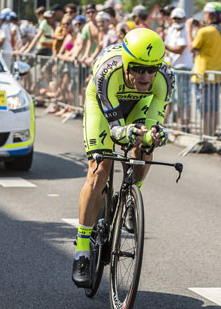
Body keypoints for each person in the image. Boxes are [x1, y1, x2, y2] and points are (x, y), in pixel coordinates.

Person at [72, 28, 174, 288]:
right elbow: (115, 129)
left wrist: (151, 135)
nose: (147, 76)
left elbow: (154, 120)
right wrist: (126, 132)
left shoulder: (166, 77)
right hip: (104, 104)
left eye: (152, 69)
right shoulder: (108, 70)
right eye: (139, 69)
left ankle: (131, 196)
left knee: (146, 144)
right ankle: (82, 251)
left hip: (138, 105)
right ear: (128, 64)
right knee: (99, 169)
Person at [186, 2, 221, 135]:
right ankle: (211, 134)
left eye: (204, 13)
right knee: (214, 108)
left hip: (202, 75)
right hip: (217, 74)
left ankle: (205, 136)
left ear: (209, 14)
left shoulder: (204, 32)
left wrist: (189, 29)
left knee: (204, 109)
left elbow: (192, 48)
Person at [164, 7, 194, 132]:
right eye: (175, 18)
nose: (176, 20)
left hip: (183, 69)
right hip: (172, 68)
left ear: (184, 18)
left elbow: (180, 49)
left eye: (179, 18)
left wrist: (166, 46)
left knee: (183, 100)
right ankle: (162, 124)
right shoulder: (171, 30)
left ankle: (183, 126)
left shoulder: (186, 31)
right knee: (169, 98)